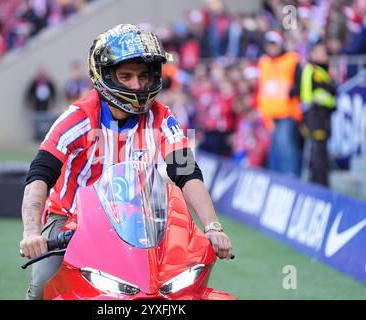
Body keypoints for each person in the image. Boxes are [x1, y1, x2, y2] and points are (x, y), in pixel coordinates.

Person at [19, 24, 233, 300]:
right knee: (43, 285)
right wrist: (31, 232)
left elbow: (186, 172)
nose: (137, 85)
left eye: (144, 76)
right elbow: (40, 174)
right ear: (105, 75)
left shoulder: (161, 117)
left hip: (137, 219)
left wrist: (213, 227)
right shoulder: (78, 118)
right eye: (126, 76)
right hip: (71, 219)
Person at [257, 30, 302, 176]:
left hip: (286, 113)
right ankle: (276, 177)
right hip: (269, 115)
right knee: (275, 149)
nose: (272, 47)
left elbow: (300, 82)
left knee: (286, 146)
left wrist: (294, 90)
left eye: (274, 44)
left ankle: (291, 175)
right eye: (269, 44)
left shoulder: (291, 59)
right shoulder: (264, 62)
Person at [300, 42, 336, 187]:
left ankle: (320, 181)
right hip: (316, 116)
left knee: (321, 151)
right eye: (320, 52)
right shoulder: (312, 70)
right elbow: (308, 95)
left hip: (323, 116)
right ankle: (320, 184)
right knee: (318, 152)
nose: (324, 55)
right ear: (312, 54)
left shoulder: (323, 71)